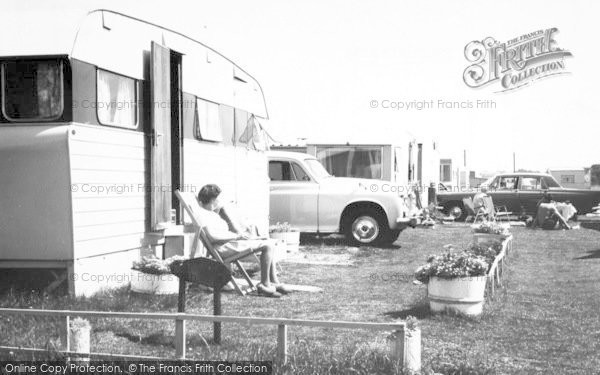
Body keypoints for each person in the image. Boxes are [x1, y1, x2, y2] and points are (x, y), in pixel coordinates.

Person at [197, 184, 290, 297]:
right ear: (213, 199)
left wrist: (239, 236)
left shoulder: (211, 214)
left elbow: (221, 233)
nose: (219, 201)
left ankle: (274, 282)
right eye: (217, 199)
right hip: (222, 248)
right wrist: (235, 237)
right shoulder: (203, 216)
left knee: (269, 243)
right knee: (267, 246)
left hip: (229, 243)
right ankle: (264, 285)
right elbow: (212, 237)